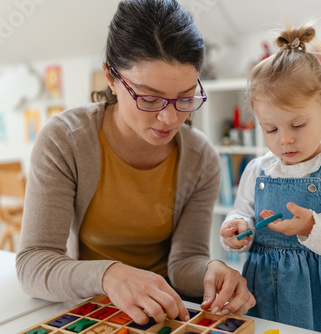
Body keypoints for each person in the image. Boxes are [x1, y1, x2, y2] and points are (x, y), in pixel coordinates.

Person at [16, 0, 255, 326]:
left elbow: (184, 263)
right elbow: (34, 264)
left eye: (185, 98)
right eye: (149, 98)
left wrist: (212, 271)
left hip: (165, 312)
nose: (170, 118)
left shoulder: (201, 159)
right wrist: (109, 275)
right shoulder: (65, 141)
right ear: (112, 78)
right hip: (89, 308)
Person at [219, 23, 321, 333]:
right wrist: (238, 228)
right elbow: (243, 214)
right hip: (263, 294)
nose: (285, 141)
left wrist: (312, 226)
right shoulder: (258, 170)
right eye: (271, 129)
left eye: (297, 125)